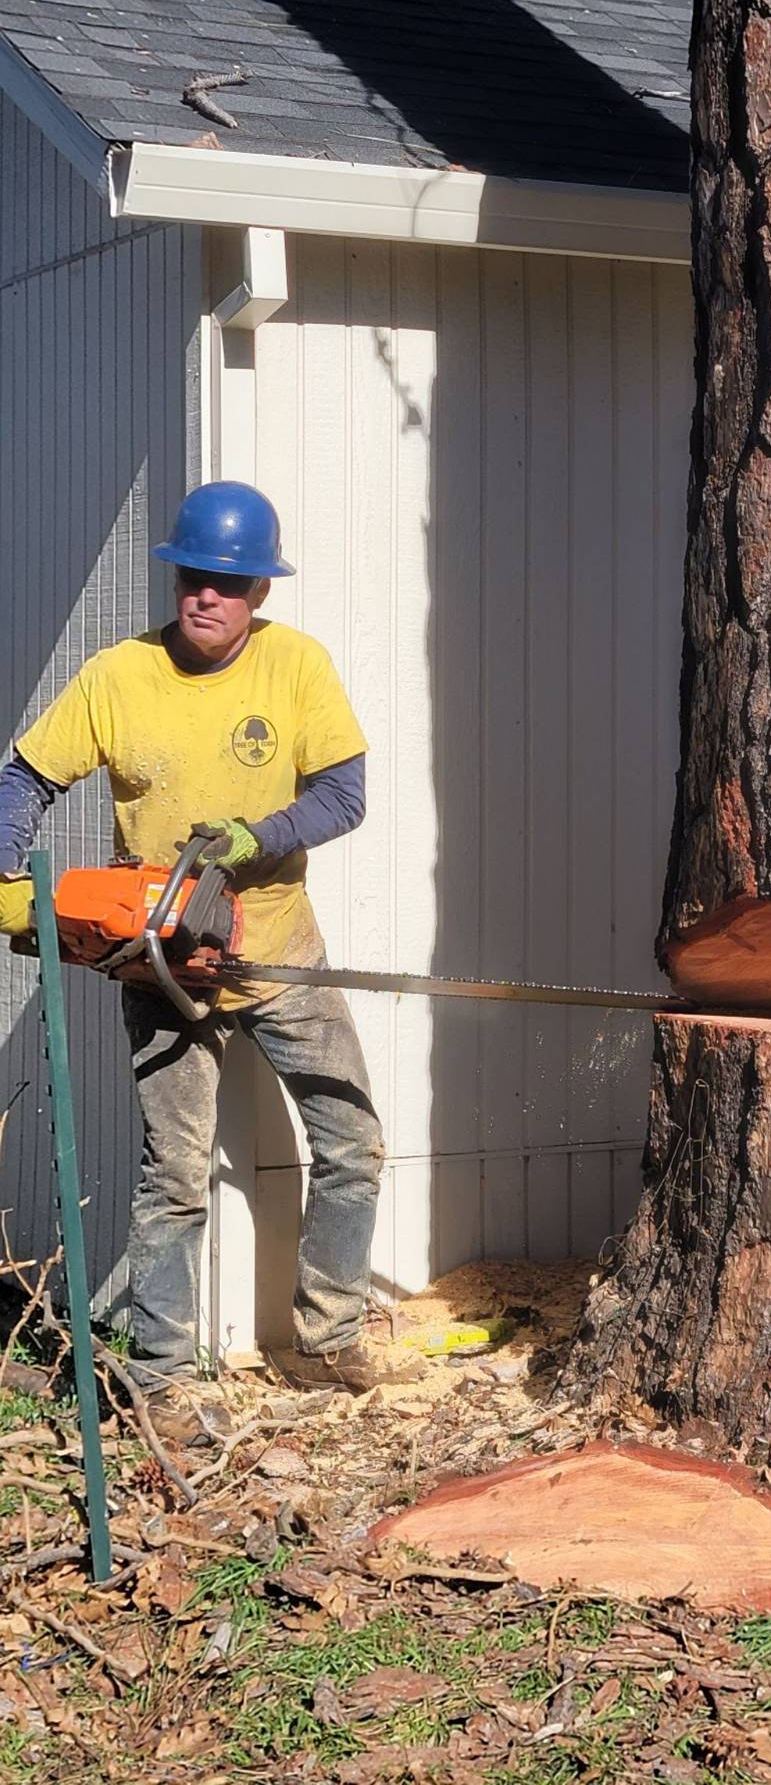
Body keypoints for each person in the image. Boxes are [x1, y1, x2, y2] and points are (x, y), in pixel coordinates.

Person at [0, 482, 412, 1443]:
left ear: (259, 591)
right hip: (162, 963)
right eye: (195, 577)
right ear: (176, 576)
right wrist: (8, 870)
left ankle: (328, 1336)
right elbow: (24, 778)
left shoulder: (296, 668)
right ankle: (165, 1379)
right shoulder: (118, 675)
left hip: (277, 949)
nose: (208, 597)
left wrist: (254, 837)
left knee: (351, 1140)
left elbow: (344, 797)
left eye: (230, 583)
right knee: (173, 1174)